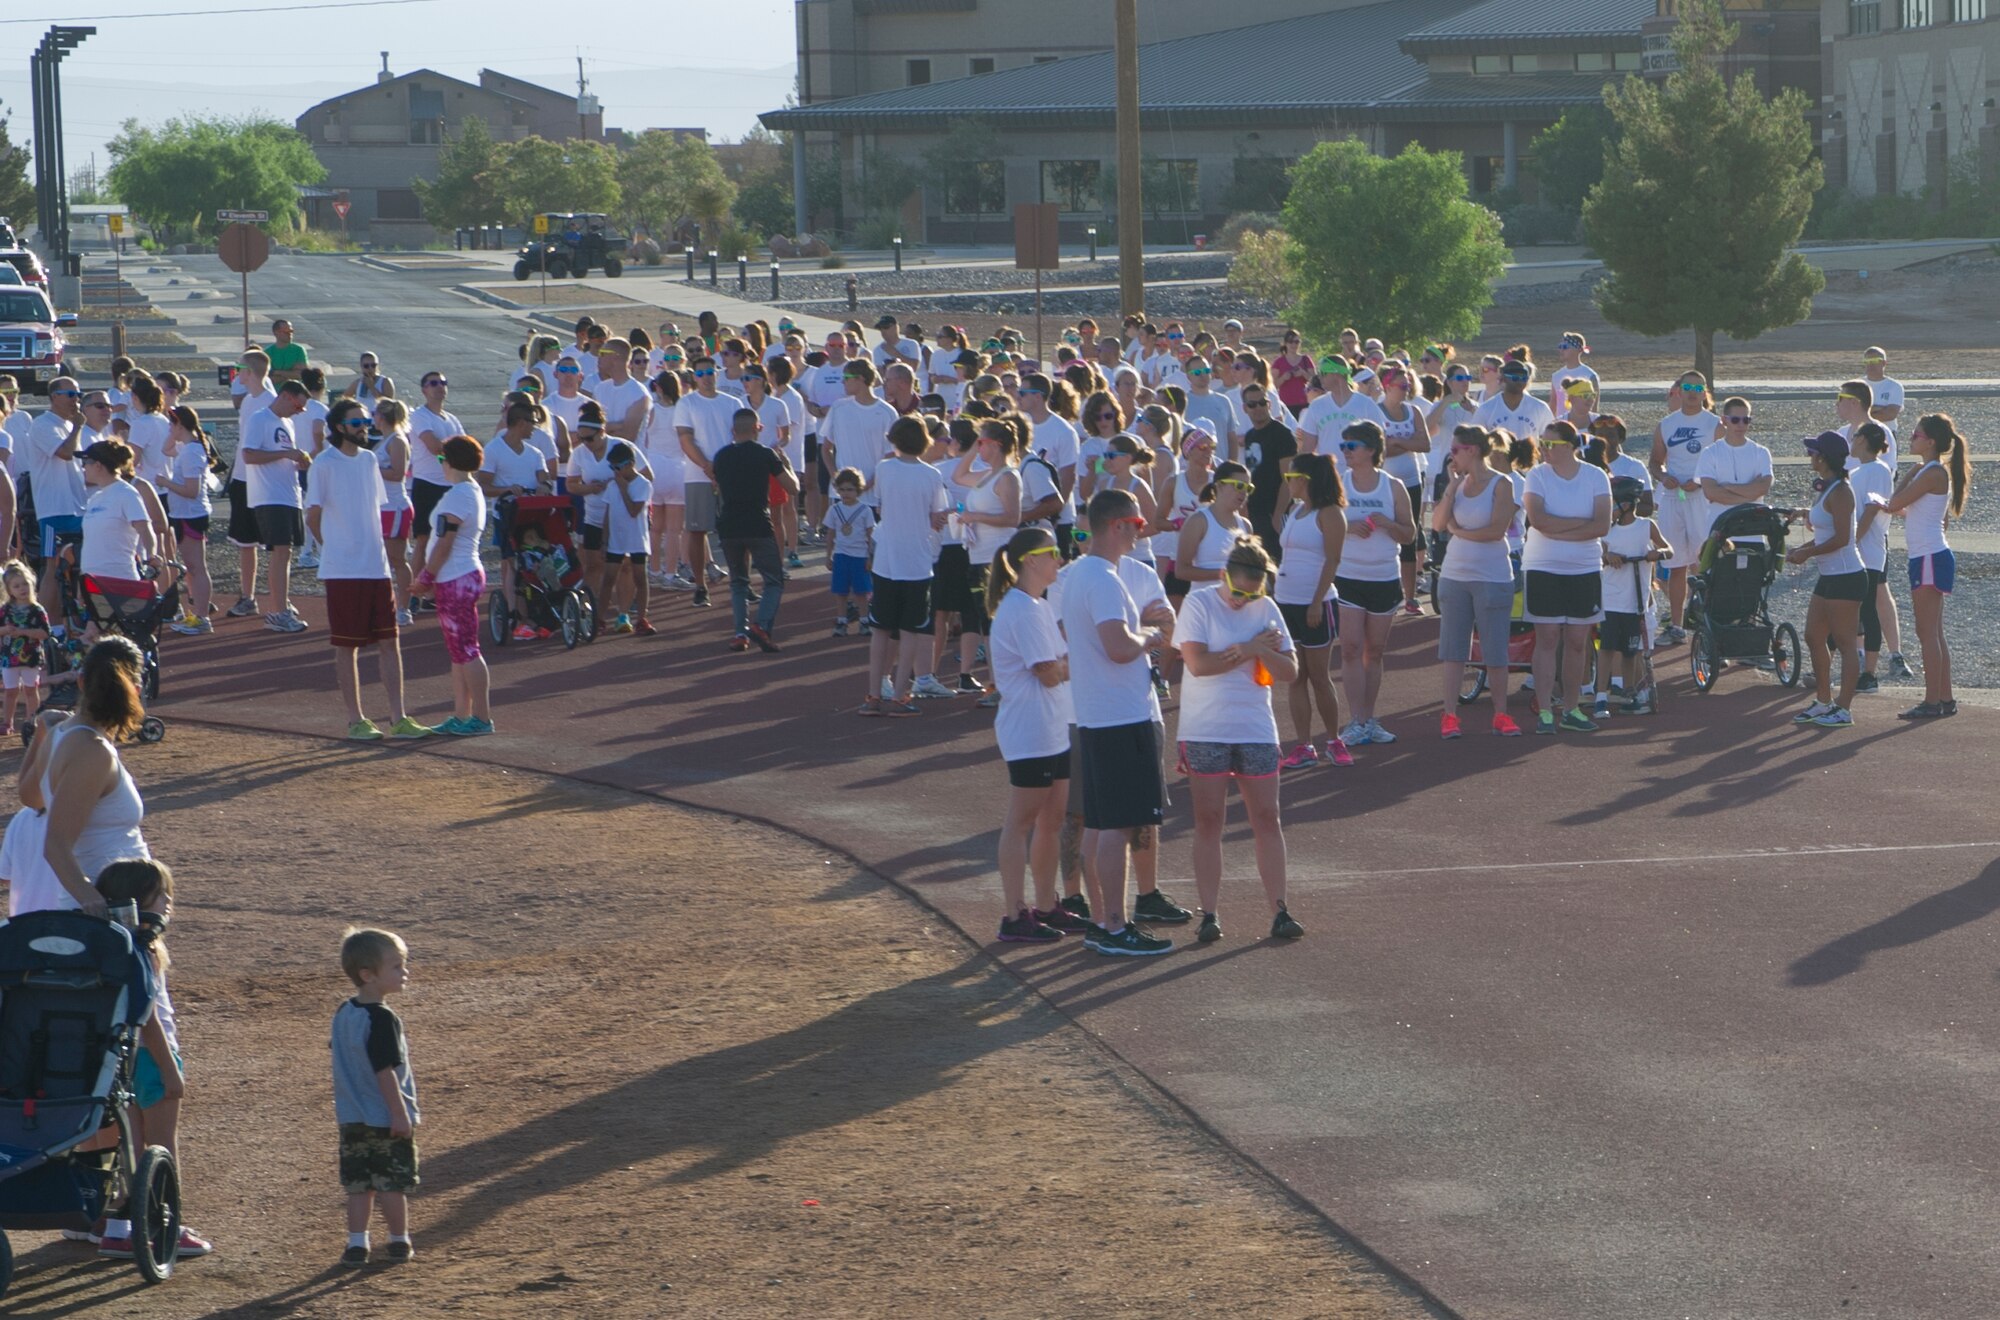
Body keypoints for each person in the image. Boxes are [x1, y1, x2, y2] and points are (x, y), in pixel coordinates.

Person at [1060, 488, 1173, 957]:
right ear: (1118, 525)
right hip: (1119, 716)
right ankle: (1113, 924)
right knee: (1118, 827)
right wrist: (1150, 636)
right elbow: (1119, 646)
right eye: (1138, 525)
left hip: (1099, 714)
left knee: (1104, 825)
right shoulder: (1104, 578)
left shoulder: (1080, 575)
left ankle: (1107, 922)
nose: (1139, 533)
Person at [82, 859, 213, 1261]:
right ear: (139, 902)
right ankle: (164, 1225)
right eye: (160, 894)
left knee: (130, 1152)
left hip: (114, 1060)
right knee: (161, 1148)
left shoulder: (102, 945)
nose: (168, 901)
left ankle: (121, 1230)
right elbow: (148, 1016)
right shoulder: (144, 950)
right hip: (152, 1059)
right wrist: (171, 1069)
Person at [1176, 537, 1304, 944]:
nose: (1241, 600)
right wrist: (1249, 648)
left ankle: (1280, 910)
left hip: (1255, 728)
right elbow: (1198, 664)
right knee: (1209, 820)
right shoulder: (1198, 605)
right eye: (1237, 591)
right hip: (1205, 728)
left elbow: (1290, 671)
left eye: (1252, 593)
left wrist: (1258, 653)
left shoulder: (1267, 609)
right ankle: (1210, 913)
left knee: (1267, 818)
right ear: (1223, 576)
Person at [309, 399, 428, 740]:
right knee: (347, 646)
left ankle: (399, 716)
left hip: (376, 567)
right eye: (357, 421)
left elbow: (375, 508)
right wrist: (329, 548)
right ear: (340, 427)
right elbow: (312, 514)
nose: (364, 425)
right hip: (343, 569)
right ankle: (355, 719)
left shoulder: (370, 460)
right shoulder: (325, 463)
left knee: (390, 641)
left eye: (365, 420)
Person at [13, 637, 150, 918]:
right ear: (135, 690)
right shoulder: (93, 752)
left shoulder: (61, 734)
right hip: (109, 904)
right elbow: (55, 844)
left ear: (81, 681)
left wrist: (42, 734)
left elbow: (31, 796)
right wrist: (93, 901)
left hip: (112, 898)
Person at [985, 527, 1077, 942]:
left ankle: (1045, 905)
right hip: (1029, 729)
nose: (1059, 558)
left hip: (1052, 728)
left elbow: (1059, 665)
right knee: (1021, 821)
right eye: (1052, 552)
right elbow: (1050, 674)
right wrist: (1072, 662)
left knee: (1052, 819)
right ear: (1030, 561)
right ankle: (1013, 914)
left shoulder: (1037, 605)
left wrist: (1065, 663)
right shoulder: (1021, 609)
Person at [332, 926, 420, 1268]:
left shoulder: (343, 1013)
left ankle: (357, 1244)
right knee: (391, 1185)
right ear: (368, 975)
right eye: (397, 966)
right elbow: (385, 1072)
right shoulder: (383, 1018)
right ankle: (399, 1241)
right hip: (383, 1118)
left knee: (359, 1185)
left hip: (351, 1116)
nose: (405, 972)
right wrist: (399, 1114)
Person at [1432, 426, 1523, 738]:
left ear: (1472, 450)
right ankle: (1449, 716)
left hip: (1492, 577)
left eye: (1456, 449)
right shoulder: (1456, 485)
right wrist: (1450, 487)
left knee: (1495, 651)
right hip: (1455, 576)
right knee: (1453, 650)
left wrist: (1459, 532)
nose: (1452, 455)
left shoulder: (1502, 484)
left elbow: (1496, 531)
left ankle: (1501, 714)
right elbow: (1437, 523)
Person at [1523, 420, 1613, 733]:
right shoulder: (1536, 475)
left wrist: (1559, 526)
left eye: (1552, 444)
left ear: (1570, 446)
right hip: (1542, 566)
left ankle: (1572, 708)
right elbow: (1538, 521)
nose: (1544, 449)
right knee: (1547, 639)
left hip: (1584, 568)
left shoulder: (1595, 476)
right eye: (1542, 443)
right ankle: (1546, 710)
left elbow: (1601, 526)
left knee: (1577, 642)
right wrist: (1579, 525)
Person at [1333, 422, 1415, 746]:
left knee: (1375, 651)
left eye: (1351, 446)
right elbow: (1322, 527)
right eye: (1344, 446)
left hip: (1384, 576)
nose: (1346, 452)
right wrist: (1348, 526)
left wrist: (1388, 524)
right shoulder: (1339, 484)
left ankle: (1369, 718)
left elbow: (1410, 534)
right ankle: (1356, 720)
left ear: (1370, 449)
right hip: (1348, 576)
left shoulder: (1393, 486)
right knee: (1351, 648)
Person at [1886, 413, 1972, 719]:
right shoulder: (1934, 472)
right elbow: (1924, 514)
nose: (1911, 439)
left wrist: (1909, 474)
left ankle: (1932, 701)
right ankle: (1944, 698)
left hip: (1928, 558)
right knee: (1935, 632)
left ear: (1931, 442)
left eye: (1916, 435)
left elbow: (1894, 502)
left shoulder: (1931, 472)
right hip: (1930, 556)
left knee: (1928, 634)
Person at [858, 417, 947, 713]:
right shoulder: (932, 475)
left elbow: (881, 506)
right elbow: (938, 516)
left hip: (887, 560)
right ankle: (899, 693)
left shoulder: (884, 469)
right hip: (918, 563)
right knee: (910, 631)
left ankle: (873, 694)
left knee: (880, 631)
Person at [1273, 452, 1349, 766]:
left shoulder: (1330, 513)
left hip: (1315, 604)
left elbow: (1332, 560)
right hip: (1286, 601)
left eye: (1292, 477)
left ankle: (1333, 740)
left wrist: (1317, 600)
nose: (1288, 482)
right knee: (1296, 676)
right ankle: (1304, 746)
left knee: (1319, 676)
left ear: (1307, 479)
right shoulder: (1295, 510)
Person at [1786, 431, 1867, 729]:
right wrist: (1804, 550)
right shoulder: (1828, 488)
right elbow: (1824, 533)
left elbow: (1843, 539)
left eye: (1813, 453)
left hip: (1847, 576)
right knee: (1812, 635)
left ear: (1824, 458)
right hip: (1830, 575)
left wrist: (1807, 553)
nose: (1810, 457)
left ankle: (1843, 709)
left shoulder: (1842, 492)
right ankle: (1823, 701)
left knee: (1845, 643)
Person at [411, 436, 491, 736]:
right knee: (459, 650)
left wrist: (425, 577)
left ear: (450, 461)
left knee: (466, 649)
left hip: (456, 576)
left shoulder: (459, 494)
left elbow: (446, 542)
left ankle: (481, 717)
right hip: (458, 576)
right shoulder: (467, 491)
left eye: (442, 459)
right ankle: (462, 714)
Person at [712, 410, 797, 652]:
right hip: (758, 524)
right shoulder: (765, 454)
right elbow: (792, 487)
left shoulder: (722, 455)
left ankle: (741, 633)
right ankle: (762, 625)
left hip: (729, 526)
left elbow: (716, 485)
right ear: (757, 428)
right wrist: (788, 465)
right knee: (774, 580)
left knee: (738, 582)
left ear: (733, 430)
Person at [953, 418, 1025, 695]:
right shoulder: (985, 475)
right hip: (977, 557)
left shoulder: (1008, 476)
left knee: (997, 624)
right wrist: (973, 446)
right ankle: (996, 682)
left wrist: (976, 516)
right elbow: (959, 475)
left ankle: (1002, 684)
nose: (978, 448)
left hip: (997, 559)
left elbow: (1012, 518)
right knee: (987, 625)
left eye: (982, 443)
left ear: (996, 445)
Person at [1648, 371, 1720, 642]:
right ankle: (1676, 625)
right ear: (1679, 391)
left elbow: (1721, 461)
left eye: (1697, 388)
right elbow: (1655, 462)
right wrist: (1664, 477)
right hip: (1673, 498)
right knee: (1676, 563)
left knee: (1704, 562)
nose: (1692, 392)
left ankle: (1708, 625)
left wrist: (1700, 481)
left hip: (1702, 498)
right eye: (1687, 387)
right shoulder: (1666, 424)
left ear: (1705, 392)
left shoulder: (1715, 424)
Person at [239, 382, 314, 632]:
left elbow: (282, 455)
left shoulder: (287, 423)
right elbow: (248, 455)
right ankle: (278, 611)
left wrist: (297, 462)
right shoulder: (261, 418)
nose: (298, 412)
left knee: (287, 552)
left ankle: (282, 603)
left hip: (288, 494)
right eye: (297, 406)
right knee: (281, 551)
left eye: (302, 409)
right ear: (284, 396)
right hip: (270, 496)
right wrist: (285, 455)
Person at [1595, 476, 1671, 721]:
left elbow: (1668, 549)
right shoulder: (1605, 530)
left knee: (1630, 651)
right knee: (1607, 648)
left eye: (1614, 504)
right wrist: (1609, 557)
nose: (1611, 509)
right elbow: (1598, 555)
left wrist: (1656, 553)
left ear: (1626, 504)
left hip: (1635, 601)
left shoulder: (1646, 526)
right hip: (1611, 599)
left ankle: (1630, 692)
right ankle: (1600, 697)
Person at [479, 400, 555, 637]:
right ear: (521, 423)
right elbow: (483, 485)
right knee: (512, 563)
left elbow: (545, 478)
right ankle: (515, 615)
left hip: (533, 516)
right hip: (508, 515)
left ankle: (542, 611)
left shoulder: (534, 453)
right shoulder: (493, 450)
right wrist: (507, 490)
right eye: (531, 422)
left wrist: (544, 486)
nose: (534, 427)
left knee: (538, 559)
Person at [24, 376, 89, 624]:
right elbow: (64, 453)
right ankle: (49, 623)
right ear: (54, 396)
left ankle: (75, 617)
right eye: (71, 394)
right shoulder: (44, 424)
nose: (76, 400)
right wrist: (78, 428)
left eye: (78, 394)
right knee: (52, 565)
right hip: (54, 508)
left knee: (82, 563)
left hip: (77, 505)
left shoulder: (68, 425)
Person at [1845, 422, 1897, 697]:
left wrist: (1852, 541)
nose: (1851, 442)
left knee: (1867, 611)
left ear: (1863, 439)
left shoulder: (1877, 469)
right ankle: (1854, 667)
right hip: (1856, 552)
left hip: (1869, 552)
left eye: (1855, 437)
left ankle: (1870, 674)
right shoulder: (1855, 471)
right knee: (1848, 610)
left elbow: (1871, 509)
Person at [1377, 363, 1433, 616]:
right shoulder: (1375, 412)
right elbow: (1379, 450)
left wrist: (1398, 441)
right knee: (1384, 533)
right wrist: (1406, 444)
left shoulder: (1413, 412)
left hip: (1411, 480)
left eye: (1408, 385)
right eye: (1402, 385)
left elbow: (1425, 444)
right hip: (1383, 482)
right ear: (1387, 386)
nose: (1406, 389)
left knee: (1410, 533)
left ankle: (1410, 597)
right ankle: (1388, 591)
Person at [405, 372, 462, 611]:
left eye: (443, 383)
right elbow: (433, 446)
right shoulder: (420, 416)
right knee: (423, 540)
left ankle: (436, 593)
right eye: (434, 383)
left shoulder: (452, 419)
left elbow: (464, 446)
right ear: (424, 390)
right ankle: (412, 594)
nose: (440, 387)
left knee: (446, 542)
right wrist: (455, 457)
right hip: (427, 485)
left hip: (450, 487)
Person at [161, 407, 216, 635]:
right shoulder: (186, 448)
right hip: (183, 514)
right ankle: (197, 614)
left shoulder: (192, 452)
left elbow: (191, 490)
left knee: (196, 567)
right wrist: (173, 433)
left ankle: (202, 617)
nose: (168, 428)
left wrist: (166, 483)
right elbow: (166, 449)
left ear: (180, 425)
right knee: (191, 568)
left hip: (191, 515)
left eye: (171, 424)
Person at [79, 438, 160, 589]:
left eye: (86, 463)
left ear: (98, 466)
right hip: (92, 580)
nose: (83, 468)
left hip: (120, 578)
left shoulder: (126, 493)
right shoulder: (95, 498)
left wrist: (151, 556)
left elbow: (144, 528)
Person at [1695, 396, 1774, 549]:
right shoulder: (1710, 453)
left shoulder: (1761, 452)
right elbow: (1711, 493)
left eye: (1746, 420)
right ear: (1724, 420)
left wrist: (1727, 487)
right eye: (1735, 420)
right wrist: (1750, 494)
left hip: (1753, 534)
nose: (1741, 425)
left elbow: (1763, 488)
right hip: (1719, 534)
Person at [599, 442, 656, 636]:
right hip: (616, 540)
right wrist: (604, 540)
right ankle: (599, 618)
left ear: (630, 464)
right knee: (608, 578)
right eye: (612, 467)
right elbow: (607, 514)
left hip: (637, 540)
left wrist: (624, 488)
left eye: (618, 467)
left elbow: (634, 511)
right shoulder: (612, 486)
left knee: (640, 577)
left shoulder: (643, 484)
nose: (615, 472)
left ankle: (641, 618)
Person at [1174, 458, 1254, 588]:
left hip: (1235, 603)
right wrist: (1224, 574)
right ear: (1220, 486)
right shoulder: (1198, 521)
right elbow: (1181, 570)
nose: (1244, 492)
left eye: (1248, 488)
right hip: (1203, 603)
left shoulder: (1246, 525)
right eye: (1239, 485)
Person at [371, 399, 416, 626]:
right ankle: (387, 605)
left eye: (374, 413)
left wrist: (370, 468)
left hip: (395, 506)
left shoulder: (397, 440)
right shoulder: (384, 440)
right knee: (381, 559)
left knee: (396, 558)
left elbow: (398, 474)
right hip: (382, 506)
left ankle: (404, 608)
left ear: (382, 416)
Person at [1296, 355, 1388, 460]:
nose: (1319, 377)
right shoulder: (1316, 406)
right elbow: (1307, 449)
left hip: (1359, 473)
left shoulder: (1366, 404)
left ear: (1336, 374)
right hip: (1328, 474)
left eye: (1322, 373)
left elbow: (1381, 442)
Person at [822, 468, 875, 635]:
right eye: (842, 489)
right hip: (841, 555)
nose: (845, 493)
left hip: (860, 556)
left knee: (862, 591)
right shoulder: (834, 510)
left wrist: (870, 557)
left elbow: (870, 535)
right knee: (840, 591)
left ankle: (864, 620)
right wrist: (828, 556)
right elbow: (830, 534)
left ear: (858, 490)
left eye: (850, 489)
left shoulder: (865, 510)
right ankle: (841, 620)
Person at [0, 561, 48, 736]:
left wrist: (22, 632)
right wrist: (5, 630)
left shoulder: (37, 610)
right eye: (16, 586)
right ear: (9, 589)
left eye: (25, 584)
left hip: (31, 657)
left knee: (30, 690)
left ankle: (31, 721)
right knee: (10, 691)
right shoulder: (5, 611)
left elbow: (44, 632)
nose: (22, 589)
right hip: (9, 658)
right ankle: (7, 722)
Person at [1471, 359, 1555, 451]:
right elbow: (1475, 442)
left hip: (1531, 464)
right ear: (1504, 378)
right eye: (1515, 378)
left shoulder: (1540, 408)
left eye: (1524, 378)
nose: (1520, 382)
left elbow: (1550, 441)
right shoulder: (1486, 409)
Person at [1547, 332, 1599, 416]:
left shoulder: (1590, 375)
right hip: (1561, 426)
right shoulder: (1556, 376)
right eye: (1560, 347)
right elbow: (1553, 405)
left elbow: (1594, 407)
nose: (1561, 350)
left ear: (1579, 349)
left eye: (1565, 347)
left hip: (1582, 425)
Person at [1861, 346, 1904, 424]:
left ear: (1884, 363)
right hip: (1860, 433)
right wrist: (1878, 409)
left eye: (1875, 361)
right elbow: (1850, 412)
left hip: (1886, 433)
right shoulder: (1857, 385)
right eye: (1867, 361)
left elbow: (1890, 414)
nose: (1871, 364)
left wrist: (1864, 412)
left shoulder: (1895, 386)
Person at [265, 318, 309, 384]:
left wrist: (277, 372)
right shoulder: (267, 353)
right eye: (286, 331)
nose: (290, 334)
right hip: (275, 393)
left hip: (295, 392)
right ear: (276, 332)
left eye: (291, 331)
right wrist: (290, 373)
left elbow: (301, 374)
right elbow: (268, 378)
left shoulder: (298, 350)